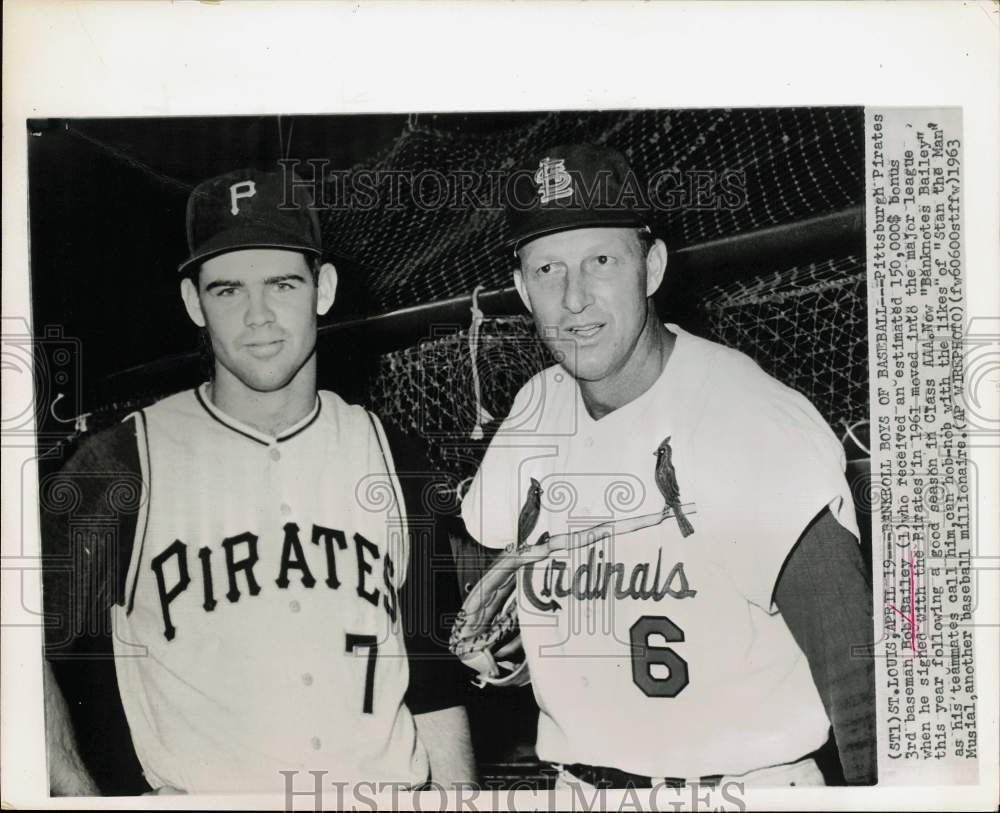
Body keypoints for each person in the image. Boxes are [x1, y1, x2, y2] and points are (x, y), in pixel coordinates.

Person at [42, 168, 474, 794]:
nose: (257, 316)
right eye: (226, 290)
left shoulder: (392, 454)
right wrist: (70, 786)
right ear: (194, 302)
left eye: (281, 283)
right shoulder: (123, 463)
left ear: (322, 288)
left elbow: (432, 678)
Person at [460, 144, 876, 788]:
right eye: (547, 269)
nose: (573, 298)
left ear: (650, 268)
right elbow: (489, 568)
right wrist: (521, 653)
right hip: (575, 784)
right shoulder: (536, 405)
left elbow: (858, 677)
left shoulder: (747, 419)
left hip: (738, 788)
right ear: (521, 289)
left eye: (601, 261)